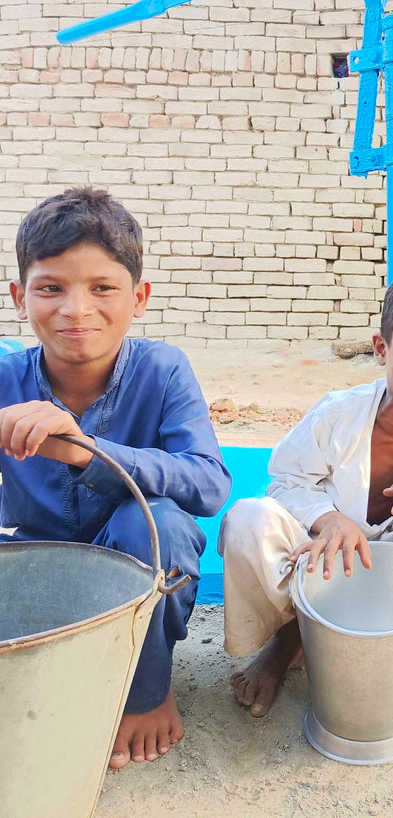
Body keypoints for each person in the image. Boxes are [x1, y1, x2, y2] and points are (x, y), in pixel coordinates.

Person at [0, 187, 231, 767]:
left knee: (160, 522)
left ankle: (145, 692)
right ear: (19, 297)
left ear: (139, 297)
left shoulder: (163, 369)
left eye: (102, 288)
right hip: (37, 572)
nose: (77, 309)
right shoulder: (5, 379)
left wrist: (86, 451)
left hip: (134, 579)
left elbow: (210, 485)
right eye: (51, 288)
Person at [219, 266, 393, 717]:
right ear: (381, 348)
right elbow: (285, 481)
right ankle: (286, 640)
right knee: (248, 518)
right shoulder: (340, 414)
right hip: (324, 561)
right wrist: (328, 520)